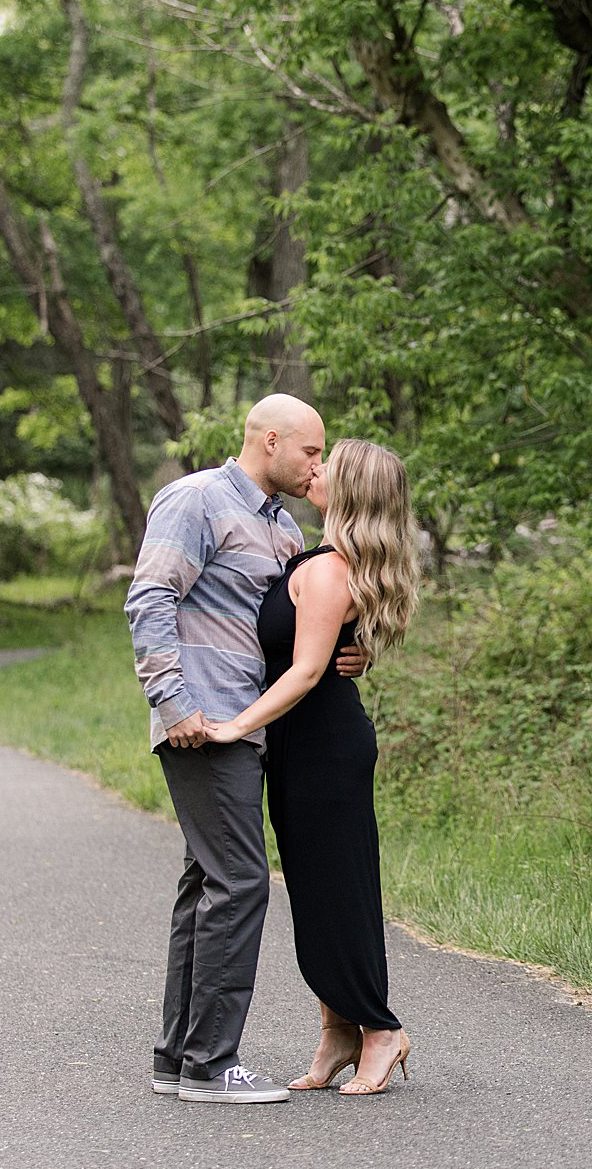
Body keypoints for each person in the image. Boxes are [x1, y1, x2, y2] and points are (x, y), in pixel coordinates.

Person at [123, 394, 366, 1105]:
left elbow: (290, 628)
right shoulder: (195, 499)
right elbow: (149, 599)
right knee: (242, 881)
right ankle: (211, 1061)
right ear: (269, 440)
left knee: (205, 881)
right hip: (205, 722)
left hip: (247, 723)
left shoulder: (284, 531)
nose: (319, 466)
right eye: (311, 452)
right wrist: (175, 705)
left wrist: (352, 655)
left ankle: (178, 1055)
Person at [204, 438, 419, 1096]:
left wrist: (237, 724)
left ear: (349, 490)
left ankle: (382, 1030)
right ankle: (338, 1031)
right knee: (318, 895)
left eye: (328, 466)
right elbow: (321, 653)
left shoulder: (329, 569)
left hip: (324, 748)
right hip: (304, 748)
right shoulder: (320, 555)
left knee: (338, 894)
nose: (314, 470)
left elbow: (303, 669)